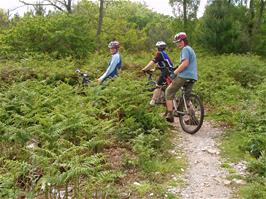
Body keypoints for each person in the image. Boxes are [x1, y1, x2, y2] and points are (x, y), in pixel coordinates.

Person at [165, 32, 198, 122]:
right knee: (186, 98)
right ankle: (193, 119)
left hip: (184, 76)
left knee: (169, 91)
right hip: (193, 76)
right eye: (177, 42)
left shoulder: (185, 49)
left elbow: (185, 63)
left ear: (184, 41)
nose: (178, 44)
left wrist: (174, 73)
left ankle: (170, 114)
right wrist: (177, 67)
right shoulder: (190, 49)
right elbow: (187, 63)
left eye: (179, 42)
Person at [142, 41, 174, 105]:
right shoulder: (164, 54)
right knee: (166, 86)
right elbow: (159, 64)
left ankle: (152, 102)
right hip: (171, 70)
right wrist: (153, 70)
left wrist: (144, 69)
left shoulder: (159, 54)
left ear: (158, 48)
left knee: (158, 85)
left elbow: (153, 62)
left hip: (166, 71)